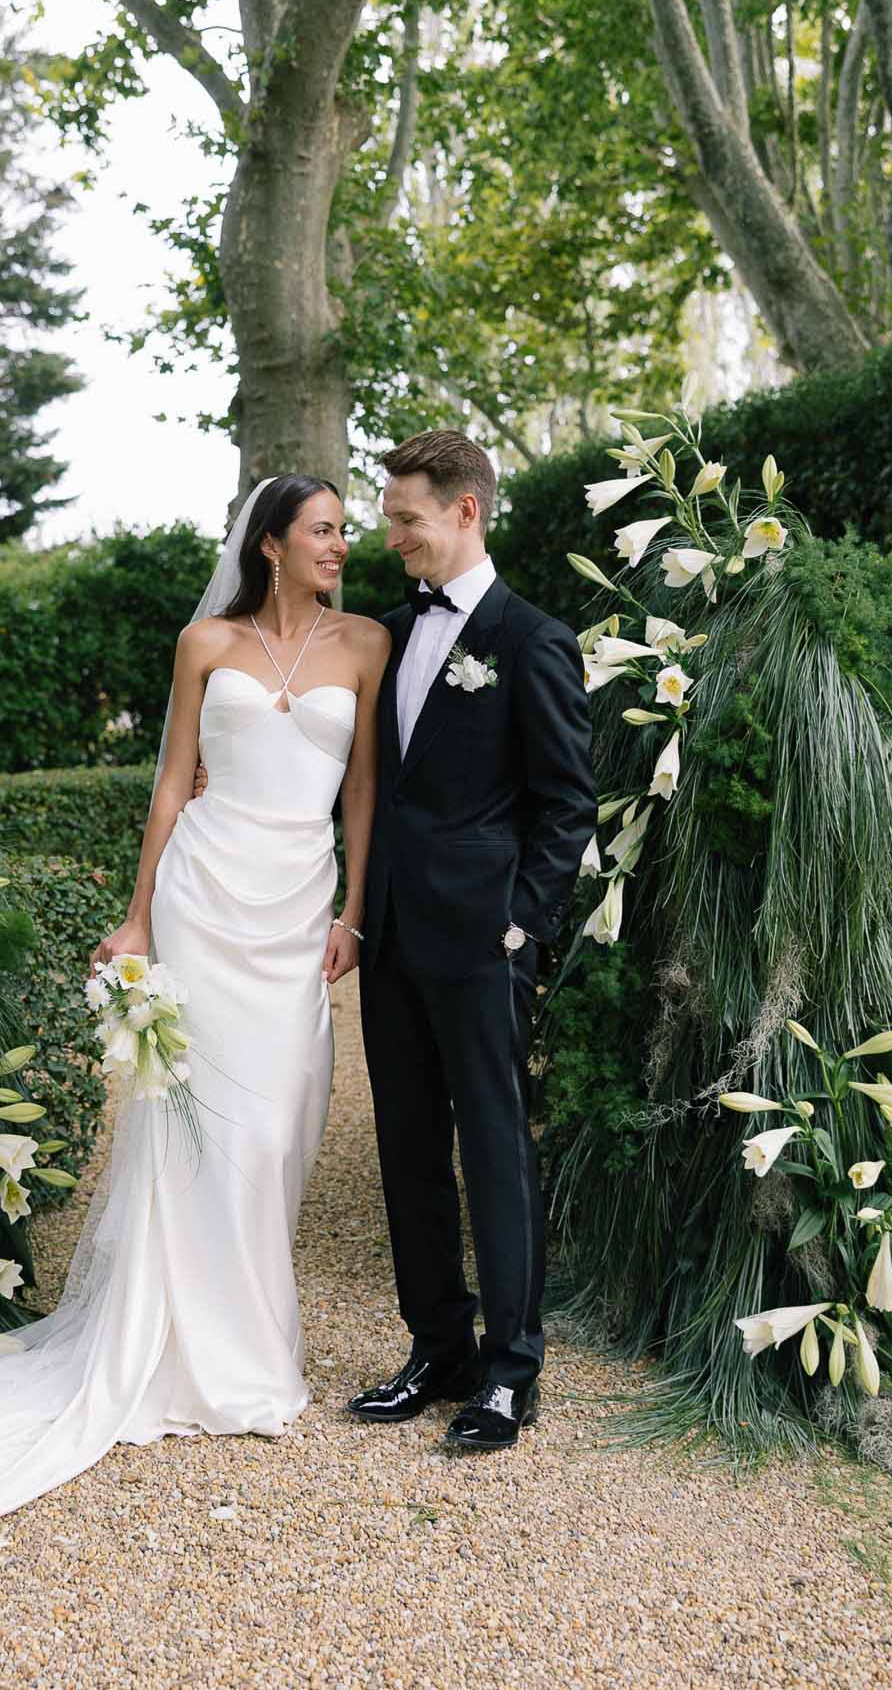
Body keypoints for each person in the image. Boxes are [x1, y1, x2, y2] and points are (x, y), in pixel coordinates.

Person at [0, 474, 388, 1534]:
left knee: (276, 1125)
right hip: (201, 896)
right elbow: (173, 783)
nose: (339, 546)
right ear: (270, 542)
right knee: (193, 1130)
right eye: (322, 531)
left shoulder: (363, 642)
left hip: (294, 910)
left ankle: (239, 1337)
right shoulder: (206, 644)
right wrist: (139, 916)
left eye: (343, 532)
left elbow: (362, 786)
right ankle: (209, 1356)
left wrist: (355, 910)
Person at [346, 429, 596, 1453]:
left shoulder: (531, 638)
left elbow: (567, 801)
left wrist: (520, 923)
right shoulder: (391, 634)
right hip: (394, 932)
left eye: (406, 516)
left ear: (464, 511)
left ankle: (509, 1370)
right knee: (405, 1145)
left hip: (481, 939)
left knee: (494, 1150)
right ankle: (437, 1347)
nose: (392, 533)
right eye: (389, 515)